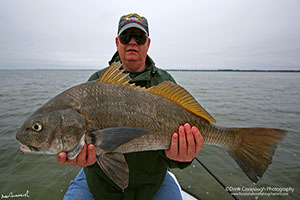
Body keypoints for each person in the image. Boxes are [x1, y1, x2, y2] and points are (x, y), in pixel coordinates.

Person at [57, 13, 204, 200]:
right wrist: (87, 160)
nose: (132, 42)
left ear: (148, 44)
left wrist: (183, 158)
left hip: (152, 183)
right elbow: (94, 148)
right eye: (126, 37)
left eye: (139, 37)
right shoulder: (96, 83)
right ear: (117, 42)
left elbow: (171, 158)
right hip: (101, 185)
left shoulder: (165, 82)